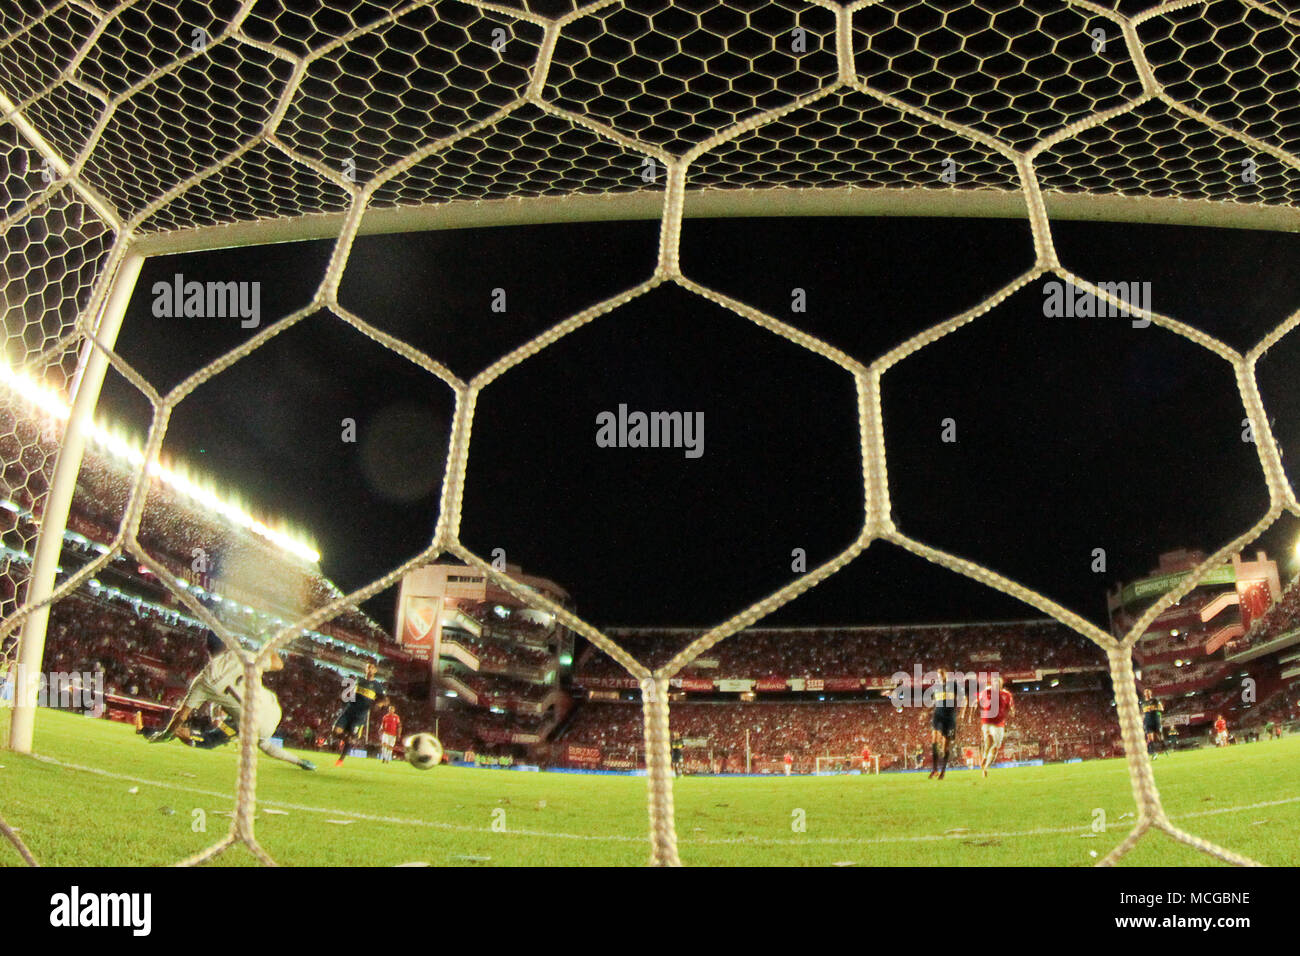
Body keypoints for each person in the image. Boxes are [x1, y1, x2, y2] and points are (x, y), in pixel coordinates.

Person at [153, 631, 315, 771]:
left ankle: (199, 738)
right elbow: (278, 665)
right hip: (274, 710)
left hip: (253, 728)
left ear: (207, 649)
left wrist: (166, 734)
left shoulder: (203, 680)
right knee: (237, 711)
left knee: (252, 735)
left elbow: (181, 715)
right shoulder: (243, 656)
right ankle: (301, 762)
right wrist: (271, 645)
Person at [331, 661, 388, 767]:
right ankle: (349, 739)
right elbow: (350, 692)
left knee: (352, 735)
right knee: (335, 731)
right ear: (365, 669)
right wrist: (345, 696)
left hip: (360, 715)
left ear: (375, 670)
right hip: (349, 710)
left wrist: (379, 704)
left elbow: (385, 700)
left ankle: (341, 760)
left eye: (372, 667)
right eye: (368, 667)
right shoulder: (359, 680)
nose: (370, 669)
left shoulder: (377, 686)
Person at [928, 667, 966, 780]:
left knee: (945, 746)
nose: (940, 677)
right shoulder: (935, 687)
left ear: (946, 675)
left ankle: (943, 772)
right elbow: (934, 701)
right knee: (934, 741)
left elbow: (964, 698)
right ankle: (934, 769)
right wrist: (926, 711)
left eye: (942, 675)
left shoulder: (953, 685)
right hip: (938, 716)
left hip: (949, 718)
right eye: (939, 675)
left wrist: (962, 713)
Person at [976, 674, 1014, 777]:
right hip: (987, 722)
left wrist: (1011, 711)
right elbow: (977, 699)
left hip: (999, 723)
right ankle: (984, 759)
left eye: (999, 683)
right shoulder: (986, 692)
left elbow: (1010, 707)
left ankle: (986, 766)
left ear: (1001, 684)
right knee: (988, 742)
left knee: (995, 746)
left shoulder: (1006, 695)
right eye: (995, 683)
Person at [1141, 688, 1164, 757]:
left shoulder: (1155, 701)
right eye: (1145, 692)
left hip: (1155, 720)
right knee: (1149, 738)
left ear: (1150, 693)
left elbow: (1161, 709)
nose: (1147, 693)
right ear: (1144, 694)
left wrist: (1154, 710)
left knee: (1159, 736)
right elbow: (1143, 712)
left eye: (1148, 692)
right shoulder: (1143, 703)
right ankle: (1154, 752)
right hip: (1147, 721)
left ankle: (1164, 748)